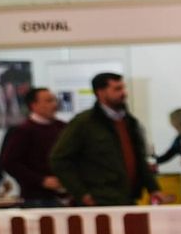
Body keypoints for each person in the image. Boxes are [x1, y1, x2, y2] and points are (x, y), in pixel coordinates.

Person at [49, 73, 162, 207]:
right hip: (99, 201)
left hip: (127, 198)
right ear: (101, 92)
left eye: (123, 88)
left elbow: (139, 159)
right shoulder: (83, 123)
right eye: (117, 89)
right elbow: (59, 159)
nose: (123, 93)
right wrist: (81, 193)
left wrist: (153, 188)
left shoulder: (129, 122)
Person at [0, 87, 68, 207]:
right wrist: (41, 181)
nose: (54, 104)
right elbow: (10, 162)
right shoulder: (23, 131)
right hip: (36, 198)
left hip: (64, 194)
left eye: (54, 100)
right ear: (34, 105)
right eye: (48, 101)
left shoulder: (62, 127)